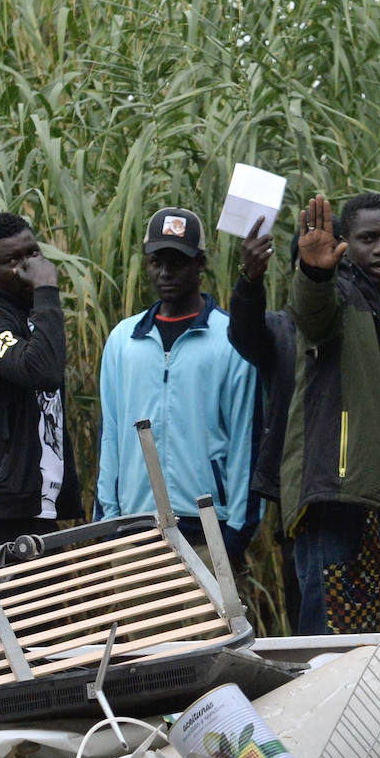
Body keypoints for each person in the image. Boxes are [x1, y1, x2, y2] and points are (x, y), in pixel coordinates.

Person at [283, 193, 380, 634]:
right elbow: (311, 313)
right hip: (335, 499)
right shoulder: (340, 298)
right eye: (368, 238)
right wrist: (314, 272)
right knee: (331, 650)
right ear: (344, 244)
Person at [96, 207, 261, 569]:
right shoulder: (124, 340)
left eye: (178, 262)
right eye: (157, 262)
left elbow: (245, 438)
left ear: (201, 263)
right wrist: (109, 525)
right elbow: (110, 435)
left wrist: (236, 533)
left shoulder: (231, 338)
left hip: (209, 534)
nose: (166, 272)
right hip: (135, 532)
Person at [0, 211, 83, 552]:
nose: (28, 267)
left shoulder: (30, 315)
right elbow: (44, 372)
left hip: (35, 509)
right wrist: (47, 290)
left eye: (33, 253)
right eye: (12, 261)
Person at [228, 220, 303, 629]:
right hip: (300, 508)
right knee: (312, 632)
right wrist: (250, 280)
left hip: (370, 509)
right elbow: (246, 333)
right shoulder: (282, 330)